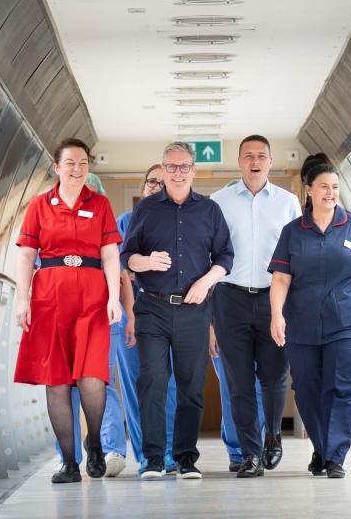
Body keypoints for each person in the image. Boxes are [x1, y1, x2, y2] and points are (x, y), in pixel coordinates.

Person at [268, 162, 351, 478]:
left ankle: (335, 456)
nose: (331, 193)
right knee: (308, 389)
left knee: (345, 386)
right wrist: (276, 316)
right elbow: (281, 280)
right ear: (309, 190)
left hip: (349, 322)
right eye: (324, 186)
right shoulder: (293, 232)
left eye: (335, 187)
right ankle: (323, 448)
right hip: (301, 323)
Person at [121, 141, 233, 479]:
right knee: (153, 380)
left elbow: (225, 257)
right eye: (171, 167)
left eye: (184, 167)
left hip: (193, 311)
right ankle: (153, 459)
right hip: (152, 308)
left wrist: (206, 283)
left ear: (193, 170)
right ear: (164, 169)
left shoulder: (210, 211)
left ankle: (186, 459)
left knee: (190, 386)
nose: (178, 173)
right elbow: (128, 257)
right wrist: (147, 261)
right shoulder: (147, 209)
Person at [13, 139, 123, 484]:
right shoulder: (39, 206)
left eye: (83, 163)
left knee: (92, 377)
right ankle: (69, 463)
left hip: (92, 297)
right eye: (70, 163)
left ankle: (93, 445)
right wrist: (22, 299)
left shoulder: (100, 203)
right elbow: (27, 255)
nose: (77, 169)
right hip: (50, 298)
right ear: (57, 167)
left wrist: (113, 297)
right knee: (56, 381)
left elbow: (109, 254)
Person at [210, 135, 301, 477]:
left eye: (261, 155)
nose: (255, 160)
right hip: (229, 297)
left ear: (270, 161)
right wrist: (209, 322)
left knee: (275, 376)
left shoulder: (288, 202)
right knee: (238, 381)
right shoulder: (218, 202)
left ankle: (273, 436)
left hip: (273, 298)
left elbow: (296, 256)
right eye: (248, 155)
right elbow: (210, 256)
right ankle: (249, 454)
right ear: (239, 161)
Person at [51, 173, 130, 477]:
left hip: (100, 317)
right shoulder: (50, 227)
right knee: (64, 388)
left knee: (99, 382)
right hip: (61, 320)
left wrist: (126, 312)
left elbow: (120, 276)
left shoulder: (106, 229)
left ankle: (109, 449)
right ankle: (68, 458)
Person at [114, 164, 181, 475]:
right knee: (136, 385)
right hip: (131, 316)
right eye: (150, 181)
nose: (155, 186)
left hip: (169, 315)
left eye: (162, 182)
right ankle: (145, 454)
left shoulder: (179, 224)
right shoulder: (123, 224)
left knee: (168, 385)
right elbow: (117, 270)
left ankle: (169, 451)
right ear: (142, 188)